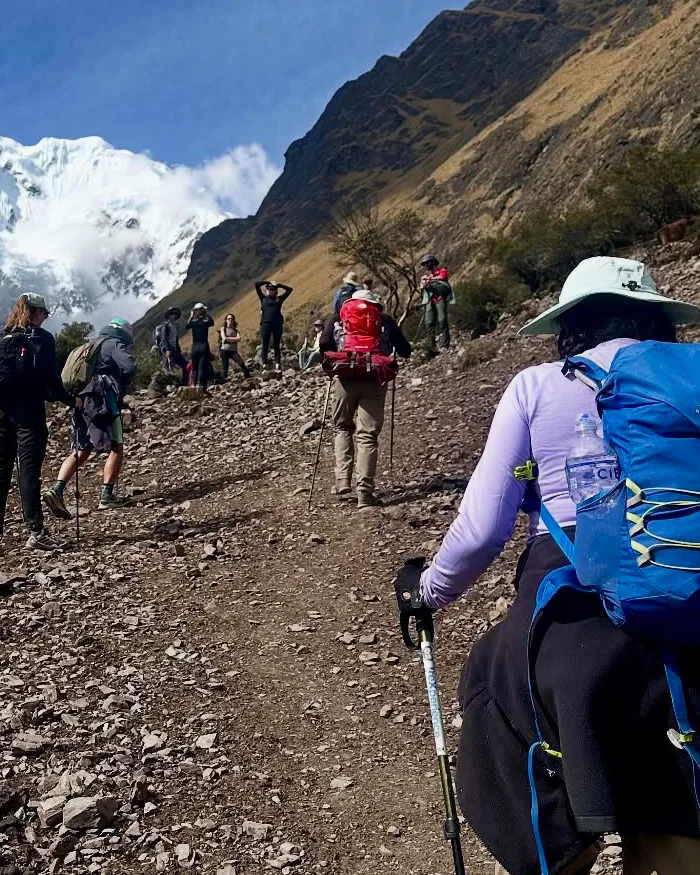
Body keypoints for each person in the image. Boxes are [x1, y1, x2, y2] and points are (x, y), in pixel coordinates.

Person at [397, 257, 700, 875]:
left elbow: (484, 528)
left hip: (572, 604)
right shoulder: (693, 382)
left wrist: (425, 591)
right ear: (659, 320)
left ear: (570, 324)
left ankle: (561, 848)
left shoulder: (536, 386)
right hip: (690, 601)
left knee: (495, 696)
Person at [320, 288, 411, 508]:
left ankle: (343, 480)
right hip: (375, 379)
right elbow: (405, 350)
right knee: (367, 436)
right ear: (374, 304)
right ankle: (364, 493)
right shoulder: (384, 319)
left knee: (342, 427)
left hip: (345, 378)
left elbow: (324, 344)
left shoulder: (339, 317)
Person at [0, 293, 76, 550]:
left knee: (1, 472)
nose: (45, 318)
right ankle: (36, 531)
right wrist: (70, 401)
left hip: (2, 412)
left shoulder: (3, 336)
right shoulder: (42, 339)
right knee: (29, 472)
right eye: (45, 313)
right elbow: (51, 381)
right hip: (30, 413)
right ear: (36, 312)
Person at [43, 318, 137, 516]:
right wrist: (122, 383)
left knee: (81, 448)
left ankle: (57, 490)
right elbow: (129, 367)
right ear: (122, 332)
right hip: (103, 399)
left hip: (79, 400)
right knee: (116, 445)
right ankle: (107, 496)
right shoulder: (113, 343)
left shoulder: (88, 345)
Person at [255, 280, 293, 372]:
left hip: (276, 324)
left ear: (276, 290)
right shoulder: (263, 298)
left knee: (276, 344)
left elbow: (289, 290)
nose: (271, 290)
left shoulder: (279, 299)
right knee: (265, 344)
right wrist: (267, 282)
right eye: (269, 288)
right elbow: (256, 285)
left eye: (273, 289)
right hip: (266, 323)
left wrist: (279, 285)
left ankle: (277, 365)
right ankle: (264, 365)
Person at [419, 254, 454, 351]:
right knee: (429, 323)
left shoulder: (442, 271)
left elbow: (443, 277)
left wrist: (430, 279)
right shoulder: (428, 276)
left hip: (440, 299)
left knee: (442, 320)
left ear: (433, 262)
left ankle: (445, 344)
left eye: (427, 263)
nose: (426, 265)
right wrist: (423, 285)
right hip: (430, 301)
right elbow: (423, 289)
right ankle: (432, 346)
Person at [155, 307, 188, 384]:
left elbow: (176, 341)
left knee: (184, 364)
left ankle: (183, 383)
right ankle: (166, 386)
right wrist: (167, 349)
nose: (174, 315)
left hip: (174, 350)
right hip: (168, 349)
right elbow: (164, 338)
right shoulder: (165, 325)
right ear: (168, 315)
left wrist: (179, 351)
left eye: (176, 314)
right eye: (172, 313)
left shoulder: (173, 327)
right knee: (167, 368)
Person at [187, 303, 215, 389]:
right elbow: (212, 322)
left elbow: (187, 325)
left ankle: (193, 384)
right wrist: (206, 312)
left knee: (195, 367)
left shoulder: (193, 322)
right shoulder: (205, 322)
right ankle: (199, 384)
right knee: (201, 367)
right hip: (204, 347)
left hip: (194, 347)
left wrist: (191, 315)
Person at [219, 314, 251, 379]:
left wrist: (228, 339)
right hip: (224, 350)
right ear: (226, 320)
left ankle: (247, 376)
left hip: (233, 350)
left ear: (234, 320)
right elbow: (224, 337)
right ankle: (223, 380)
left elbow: (239, 339)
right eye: (229, 319)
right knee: (225, 366)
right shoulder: (223, 328)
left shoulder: (236, 330)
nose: (230, 320)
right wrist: (234, 339)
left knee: (241, 363)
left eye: (232, 319)